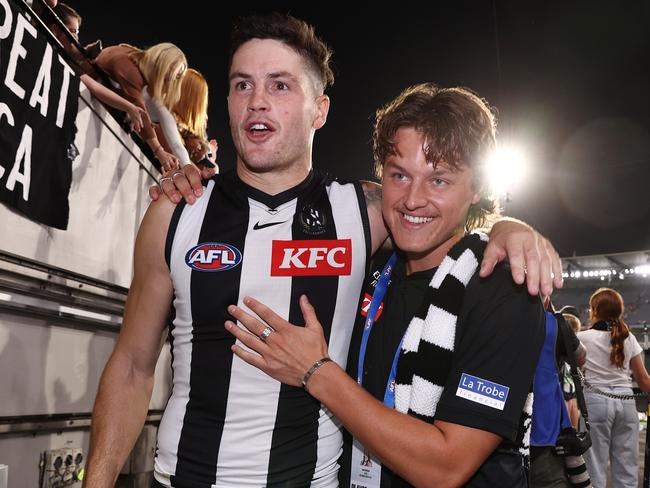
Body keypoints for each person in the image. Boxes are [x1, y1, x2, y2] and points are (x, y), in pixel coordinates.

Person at [83, 13, 562, 488]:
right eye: (243, 85)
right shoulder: (176, 211)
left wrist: (511, 228)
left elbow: (438, 210)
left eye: (281, 86)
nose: (258, 103)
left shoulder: (364, 210)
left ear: (320, 110)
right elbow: (130, 367)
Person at [225, 83, 547, 487]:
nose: (413, 199)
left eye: (440, 181)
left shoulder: (503, 288)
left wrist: (316, 372)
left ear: (478, 188)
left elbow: (445, 467)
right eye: (399, 175)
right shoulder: (371, 263)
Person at [579, 288, 650, 488]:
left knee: (594, 468)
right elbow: (644, 381)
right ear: (620, 311)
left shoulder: (582, 337)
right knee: (627, 470)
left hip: (595, 402)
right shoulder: (629, 338)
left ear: (594, 310)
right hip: (626, 404)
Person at [93, 42, 187, 170]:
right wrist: (159, 152)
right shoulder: (130, 67)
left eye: (177, 76)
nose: (172, 78)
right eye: (174, 71)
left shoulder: (134, 60)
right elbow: (140, 112)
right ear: (164, 62)